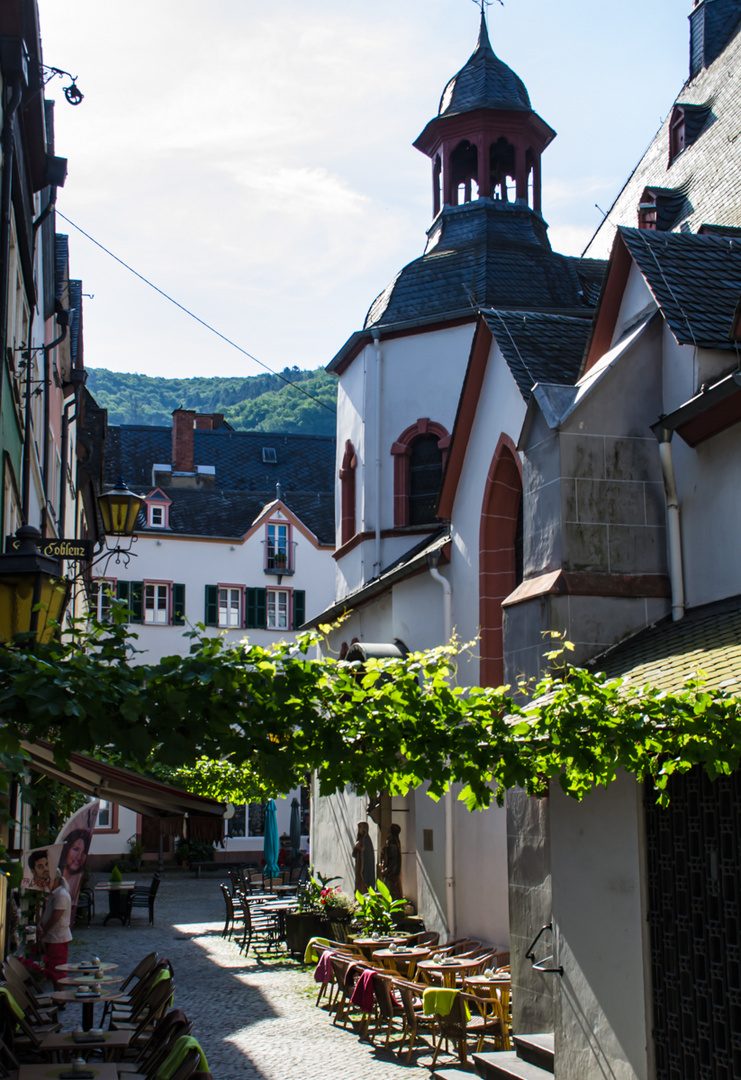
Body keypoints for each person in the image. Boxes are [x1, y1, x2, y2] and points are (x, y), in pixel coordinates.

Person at [37, 873, 72, 988]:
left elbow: (56, 917)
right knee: (52, 969)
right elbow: (47, 913)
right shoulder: (54, 894)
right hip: (52, 937)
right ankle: (58, 997)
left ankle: (61, 1000)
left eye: (48, 880)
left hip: (58, 938)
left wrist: (44, 929)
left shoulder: (61, 895)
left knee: (58, 970)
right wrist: (40, 923)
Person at [380, 823, 403, 900]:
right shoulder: (393, 840)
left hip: (391, 871)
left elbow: (394, 857)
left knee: (389, 889)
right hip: (390, 870)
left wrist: (387, 869)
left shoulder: (392, 841)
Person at [352, 821, 376, 894]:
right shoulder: (360, 839)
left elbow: (367, 853)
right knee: (359, 881)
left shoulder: (366, 840)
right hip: (359, 865)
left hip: (364, 866)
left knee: (364, 881)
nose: (359, 830)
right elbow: (354, 854)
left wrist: (359, 847)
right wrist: (356, 848)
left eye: (360, 828)